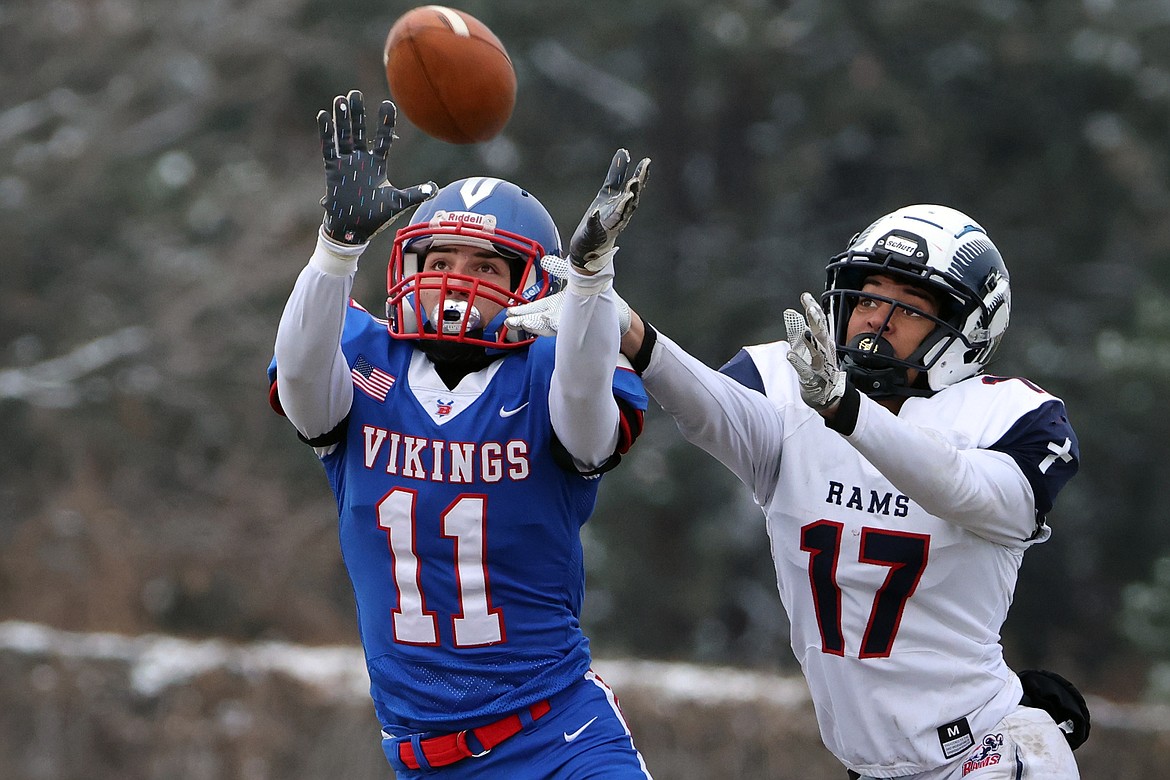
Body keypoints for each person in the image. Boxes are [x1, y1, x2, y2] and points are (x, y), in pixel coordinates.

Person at [508, 204, 1090, 779]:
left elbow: (963, 489)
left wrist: (847, 410)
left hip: (986, 755)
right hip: (874, 767)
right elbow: (706, 405)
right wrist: (622, 325)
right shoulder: (792, 387)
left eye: (907, 305)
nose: (875, 318)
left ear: (968, 330)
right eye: (867, 295)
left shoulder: (1008, 416)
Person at [267, 89, 654, 778]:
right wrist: (334, 250)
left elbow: (591, 422)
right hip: (424, 757)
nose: (455, 280)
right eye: (440, 259)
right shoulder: (365, 363)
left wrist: (592, 286)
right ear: (407, 266)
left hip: (559, 735)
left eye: (484, 267)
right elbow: (298, 383)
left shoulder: (553, 372)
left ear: (533, 284)